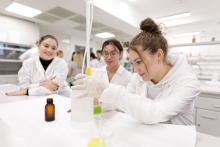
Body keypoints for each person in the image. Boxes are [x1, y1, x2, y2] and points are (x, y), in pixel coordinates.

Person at [72, 18, 201, 125]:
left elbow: (156, 113)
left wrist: (107, 89)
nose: (135, 70)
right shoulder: (138, 77)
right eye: (133, 64)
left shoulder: (188, 82)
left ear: (159, 55)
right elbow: (123, 105)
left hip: (179, 140)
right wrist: (98, 98)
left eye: (139, 62)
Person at [6, 35, 71, 97]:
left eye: (53, 48)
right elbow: (23, 87)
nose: (49, 50)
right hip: (38, 99)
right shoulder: (28, 63)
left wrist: (27, 91)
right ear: (38, 45)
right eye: (46, 46)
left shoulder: (61, 63)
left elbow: (54, 89)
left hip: (63, 98)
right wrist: (42, 84)